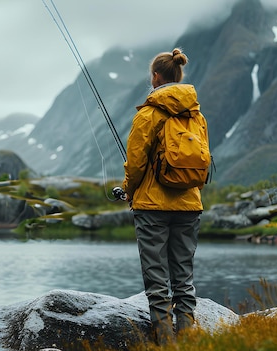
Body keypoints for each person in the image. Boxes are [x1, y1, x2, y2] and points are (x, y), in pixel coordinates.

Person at [121, 48, 205, 345]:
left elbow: (135, 163)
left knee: (157, 283)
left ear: (156, 76)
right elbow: (202, 162)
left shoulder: (148, 114)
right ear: (178, 75)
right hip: (189, 206)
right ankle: (189, 341)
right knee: (184, 279)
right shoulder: (196, 116)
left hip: (151, 208)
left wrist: (130, 192)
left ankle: (166, 344)